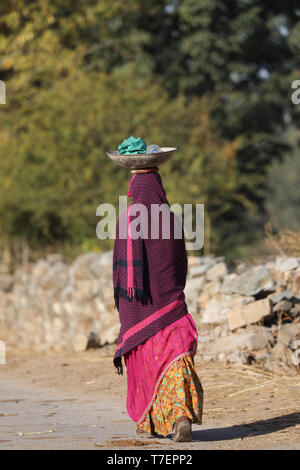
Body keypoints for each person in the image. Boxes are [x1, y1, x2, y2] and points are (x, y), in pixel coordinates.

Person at [113, 169, 203, 442]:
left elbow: (121, 273)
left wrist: (129, 311)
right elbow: (180, 264)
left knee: (145, 364)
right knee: (177, 361)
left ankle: (147, 421)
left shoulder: (125, 221)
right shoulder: (172, 220)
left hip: (139, 311)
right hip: (171, 307)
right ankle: (181, 416)